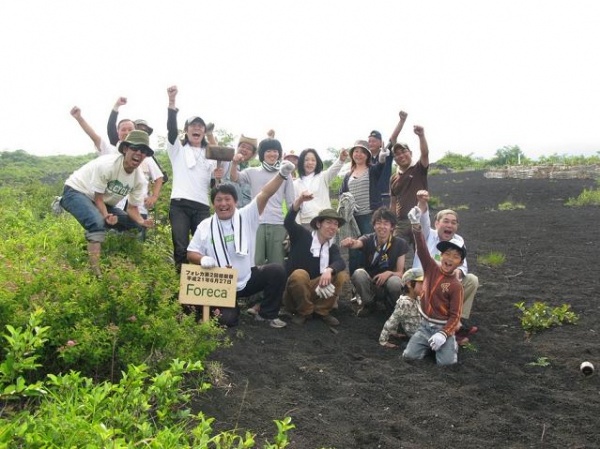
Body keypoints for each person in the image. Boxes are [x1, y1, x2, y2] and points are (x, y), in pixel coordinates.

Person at [186, 161, 296, 328]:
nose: (223, 204)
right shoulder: (205, 226)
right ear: (213, 204)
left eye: (227, 199)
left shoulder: (246, 216)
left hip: (246, 278)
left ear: (235, 201)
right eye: (218, 200)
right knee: (227, 320)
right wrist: (202, 259)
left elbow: (264, 194)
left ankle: (267, 314)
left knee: (276, 271)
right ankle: (222, 307)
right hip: (219, 283)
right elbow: (191, 252)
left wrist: (282, 174)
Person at [59, 130, 155, 276]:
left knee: (134, 226)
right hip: (77, 191)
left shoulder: (139, 179)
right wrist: (106, 216)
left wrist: (142, 221)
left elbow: (132, 208)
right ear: (125, 149)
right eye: (135, 148)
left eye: (143, 151)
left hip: (103, 201)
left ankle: (119, 258)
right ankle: (96, 273)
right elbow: (98, 198)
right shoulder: (108, 165)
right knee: (97, 222)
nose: (139, 153)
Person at [69, 105, 164, 234]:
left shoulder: (145, 157)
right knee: (100, 223)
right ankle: (97, 235)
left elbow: (159, 177)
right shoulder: (111, 151)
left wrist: (154, 196)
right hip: (101, 197)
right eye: (123, 130)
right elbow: (95, 136)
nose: (126, 132)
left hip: (130, 203)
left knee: (134, 227)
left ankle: (118, 247)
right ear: (118, 133)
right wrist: (80, 118)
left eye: (130, 129)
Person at [166, 85, 224, 272]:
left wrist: (216, 178)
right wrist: (172, 101)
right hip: (180, 204)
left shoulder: (209, 155)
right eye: (193, 126)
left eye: (200, 126)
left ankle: (203, 290)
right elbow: (171, 129)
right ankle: (181, 287)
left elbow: (214, 184)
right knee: (181, 247)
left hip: (201, 206)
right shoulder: (177, 149)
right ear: (186, 130)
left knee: (204, 248)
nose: (197, 128)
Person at [412, 190, 479, 345]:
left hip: (444, 283)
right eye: (446, 221)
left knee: (472, 280)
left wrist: (458, 273)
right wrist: (422, 202)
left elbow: (464, 267)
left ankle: (456, 323)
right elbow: (422, 221)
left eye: (453, 222)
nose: (449, 225)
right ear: (437, 224)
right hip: (422, 282)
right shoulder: (428, 234)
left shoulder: (458, 240)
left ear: (457, 226)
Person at [402, 206, 464, 366]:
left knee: (446, 364)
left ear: (461, 262)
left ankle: (450, 344)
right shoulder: (431, 267)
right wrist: (415, 225)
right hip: (424, 326)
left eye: (456, 257)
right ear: (441, 255)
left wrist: (443, 334)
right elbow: (421, 248)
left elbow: (455, 315)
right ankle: (428, 345)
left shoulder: (456, 286)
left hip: (442, 328)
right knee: (409, 357)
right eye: (447, 254)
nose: (450, 259)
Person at [282, 192, 349, 326]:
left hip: (315, 291)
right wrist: (299, 200)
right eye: (328, 222)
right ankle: (304, 312)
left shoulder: (331, 248)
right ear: (318, 224)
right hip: (293, 294)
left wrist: (329, 270)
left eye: (335, 224)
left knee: (341, 275)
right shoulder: (302, 235)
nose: (332, 227)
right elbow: (288, 222)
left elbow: (340, 262)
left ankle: (321, 311)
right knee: (299, 274)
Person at [230, 135, 294, 266]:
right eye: (268, 151)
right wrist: (234, 163)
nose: (272, 154)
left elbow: (290, 203)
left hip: (278, 223)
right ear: (262, 154)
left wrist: (291, 228)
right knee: (255, 262)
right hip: (256, 223)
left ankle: (277, 287)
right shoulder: (252, 172)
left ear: (279, 154)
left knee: (277, 264)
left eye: (276, 151)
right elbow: (234, 178)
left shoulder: (286, 173)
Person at [340, 207, 409, 315]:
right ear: (374, 225)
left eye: (386, 223)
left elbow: (400, 273)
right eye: (378, 223)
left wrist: (389, 273)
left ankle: (393, 306)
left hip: (389, 283)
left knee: (395, 282)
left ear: (392, 227)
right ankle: (369, 304)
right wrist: (350, 242)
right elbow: (358, 242)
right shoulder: (368, 239)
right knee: (358, 274)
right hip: (372, 283)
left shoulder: (400, 243)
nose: (382, 226)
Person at [340, 140, 393, 274]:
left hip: (369, 215)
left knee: (371, 246)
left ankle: (374, 280)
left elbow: (381, 163)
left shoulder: (372, 170)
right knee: (354, 250)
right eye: (356, 151)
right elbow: (342, 195)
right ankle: (355, 284)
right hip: (353, 218)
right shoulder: (347, 176)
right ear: (352, 154)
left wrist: (382, 155)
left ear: (367, 155)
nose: (359, 154)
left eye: (363, 152)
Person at [389, 125, 429, 246]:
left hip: (419, 218)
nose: (401, 156)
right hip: (401, 222)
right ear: (394, 158)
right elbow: (393, 202)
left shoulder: (419, 169)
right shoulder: (393, 178)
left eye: (403, 152)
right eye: (397, 154)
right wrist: (391, 222)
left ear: (410, 153)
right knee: (394, 250)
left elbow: (425, 154)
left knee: (421, 253)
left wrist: (421, 136)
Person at [293, 148, 348, 228]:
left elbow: (334, 170)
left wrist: (341, 159)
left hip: (324, 221)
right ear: (301, 162)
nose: (310, 163)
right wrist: (297, 226)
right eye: (306, 160)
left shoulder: (323, 177)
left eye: (313, 160)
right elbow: (295, 207)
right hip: (306, 223)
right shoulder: (296, 184)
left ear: (317, 162)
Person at [367, 110, 408, 206]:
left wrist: (402, 121)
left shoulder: (386, 153)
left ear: (381, 143)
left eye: (374, 141)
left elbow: (393, 138)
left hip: (385, 196)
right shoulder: (366, 158)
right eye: (369, 141)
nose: (371, 143)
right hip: (370, 197)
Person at [379, 268, 424, 348]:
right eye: (422, 283)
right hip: (418, 337)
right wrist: (383, 341)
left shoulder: (417, 298)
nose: (425, 286)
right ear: (409, 284)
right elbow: (392, 321)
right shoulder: (404, 303)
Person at [220, 135, 259, 208]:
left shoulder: (252, 172)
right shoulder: (227, 163)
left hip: (246, 214)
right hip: (227, 211)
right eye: (243, 146)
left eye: (249, 149)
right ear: (238, 148)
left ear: (253, 154)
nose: (244, 149)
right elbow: (217, 153)